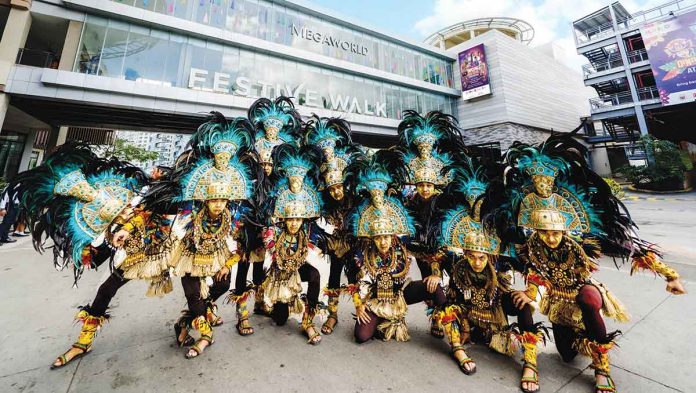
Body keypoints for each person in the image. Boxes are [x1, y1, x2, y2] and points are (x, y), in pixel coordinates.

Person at [260, 144, 325, 344]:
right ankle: (277, 301)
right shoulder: (274, 230)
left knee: (314, 275)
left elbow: (315, 242)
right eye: (291, 219)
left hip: (297, 267)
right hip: (280, 272)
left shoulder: (307, 230)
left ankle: (308, 320)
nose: (294, 223)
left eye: (298, 219)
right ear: (285, 219)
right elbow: (269, 240)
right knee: (280, 320)